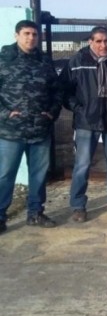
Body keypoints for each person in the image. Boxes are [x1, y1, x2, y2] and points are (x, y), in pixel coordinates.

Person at [61, 26, 107, 222]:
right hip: (86, 122)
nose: (103, 45)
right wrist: (77, 108)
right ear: (90, 42)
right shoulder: (77, 63)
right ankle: (78, 206)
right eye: (99, 41)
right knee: (82, 165)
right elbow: (64, 90)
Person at [0, 20, 63, 233]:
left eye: (35, 34)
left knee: (38, 174)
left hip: (40, 130)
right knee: (6, 174)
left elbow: (57, 91)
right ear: (16, 35)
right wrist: (5, 114)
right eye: (26, 33)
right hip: (11, 131)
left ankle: (35, 213)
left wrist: (51, 113)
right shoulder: (4, 60)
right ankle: (0, 216)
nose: (31, 38)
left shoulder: (44, 62)